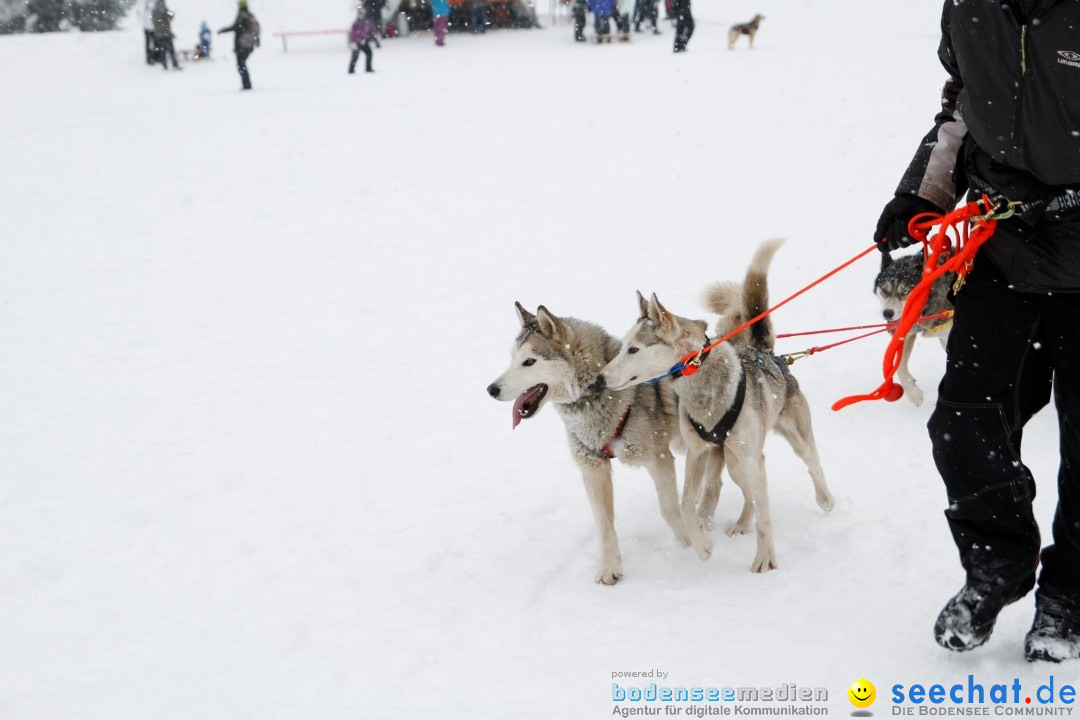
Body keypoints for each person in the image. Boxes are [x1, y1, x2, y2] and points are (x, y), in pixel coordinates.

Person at [874, 0, 1080, 662]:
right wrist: (923, 194)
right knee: (964, 420)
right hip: (1002, 252)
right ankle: (997, 563)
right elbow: (963, 107)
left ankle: (1071, 594)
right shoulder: (969, 6)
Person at [219, 1, 260, 91]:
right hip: (249, 44)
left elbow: (235, 27)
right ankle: (247, 84)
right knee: (242, 64)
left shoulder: (241, 16)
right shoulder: (249, 15)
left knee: (241, 64)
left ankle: (247, 84)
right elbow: (256, 27)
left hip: (242, 44)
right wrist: (257, 39)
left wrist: (223, 30)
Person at [152, 0, 181, 70]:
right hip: (165, 34)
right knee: (171, 51)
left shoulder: (154, 11)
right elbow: (170, 17)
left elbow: (154, 22)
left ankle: (164, 64)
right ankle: (174, 64)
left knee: (163, 50)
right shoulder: (163, 10)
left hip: (158, 34)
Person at [348, 8, 376, 74]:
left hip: (364, 41)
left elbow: (372, 29)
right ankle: (351, 70)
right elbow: (352, 33)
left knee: (369, 53)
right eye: (361, 13)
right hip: (357, 42)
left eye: (363, 13)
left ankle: (368, 68)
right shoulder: (356, 23)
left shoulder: (368, 22)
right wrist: (352, 42)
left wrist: (376, 34)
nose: (362, 15)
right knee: (355, 56)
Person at [142, 0, 157, 64]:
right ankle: (149, 58)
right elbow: (141, 16)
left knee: (155, 42)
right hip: (147, 28)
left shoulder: (154, 3)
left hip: (154, 27)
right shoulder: (144, 5)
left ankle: (155, 57)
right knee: (148, 43)